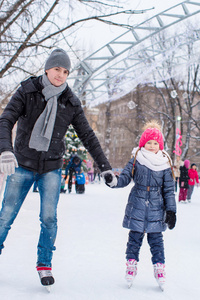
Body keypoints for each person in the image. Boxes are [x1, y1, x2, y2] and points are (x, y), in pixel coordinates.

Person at [0, 48, 117, 288]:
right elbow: (6, 119)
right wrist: (5, 149)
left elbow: (87, 135)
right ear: (47, 68)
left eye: (65, 71)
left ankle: (44, 265)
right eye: (57, 69)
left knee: (49, 218)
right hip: (22, 164)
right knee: (5, 216)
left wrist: (104, 166)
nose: (61, 75)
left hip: (51, 168)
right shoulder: (28, 90)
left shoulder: (70, 101)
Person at [103, 121, 176, 290]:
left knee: (156, 240)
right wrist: (113, 181)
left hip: (157, 207)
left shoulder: (165, 163)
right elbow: (125, 178)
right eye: (148, 143)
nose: (151, 146)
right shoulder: (137, 159)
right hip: (137, 204)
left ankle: (159, 269)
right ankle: (131, 265)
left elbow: (169, 190)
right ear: (143, 144)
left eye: (155, 143)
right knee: (134, 239)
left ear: (160, 145)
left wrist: (171, 211)